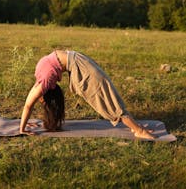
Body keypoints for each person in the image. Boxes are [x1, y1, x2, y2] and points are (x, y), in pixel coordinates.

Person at [20, 50, 156, 139]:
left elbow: (28, 105)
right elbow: (29, 103)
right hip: (77, 58)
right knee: (108, 92)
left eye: (40, 100)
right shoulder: (41, 77)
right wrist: (25, 124)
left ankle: (139, 130)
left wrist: (22, 129)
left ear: (46, 95)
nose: (39, 100)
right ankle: (135, 126)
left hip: (79, 66)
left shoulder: (43, 83)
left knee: (106, 100)